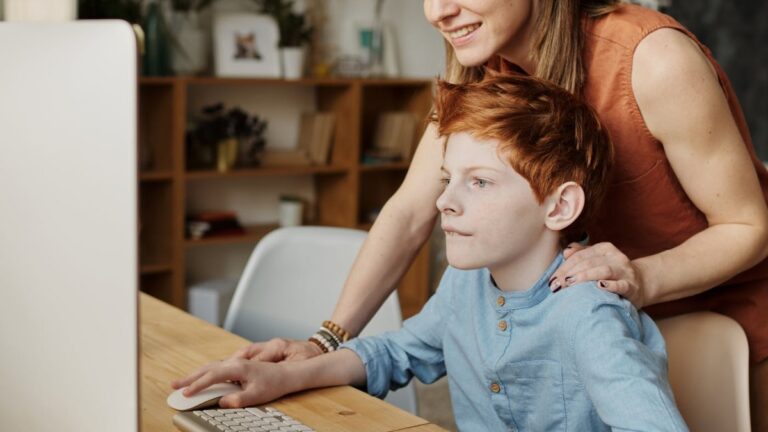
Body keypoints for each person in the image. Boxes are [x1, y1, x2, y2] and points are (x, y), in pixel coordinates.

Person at [182, 2, 768, 429]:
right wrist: (322, 342)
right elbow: (410, 211)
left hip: (718, 316)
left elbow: (748, 227)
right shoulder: (485, 75)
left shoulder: (652, 59)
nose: (436, 11)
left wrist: (640, 278)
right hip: (574, 306)